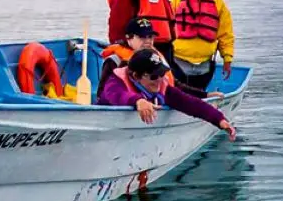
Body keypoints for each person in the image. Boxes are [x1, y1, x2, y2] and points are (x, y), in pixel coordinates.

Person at [98, 48, 237, 141]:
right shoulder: (115, 82)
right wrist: (138, 101)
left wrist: (220, 120)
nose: (159, 80)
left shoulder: (162, 87)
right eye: (153, 76)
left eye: (161, 74)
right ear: (136, 76)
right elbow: (117, 95)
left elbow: (190, 103)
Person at [167, 0, 235, 95]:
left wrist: (227, 58)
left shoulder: (217, 0)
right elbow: (162, 25)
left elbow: (225, 32)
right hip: (177, 62)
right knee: (180, 97)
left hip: (205, 66)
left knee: (199, 98)